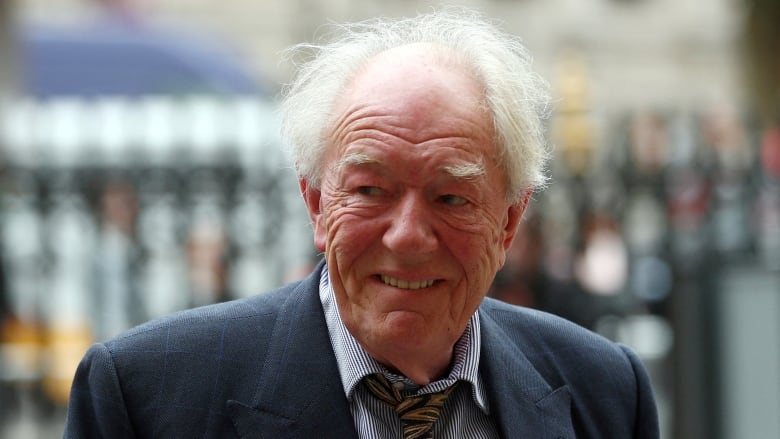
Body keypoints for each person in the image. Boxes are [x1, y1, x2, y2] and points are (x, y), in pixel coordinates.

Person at [64, 8, 659, 438]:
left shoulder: (603, 394)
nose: (406, 236)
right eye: (371, 191)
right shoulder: (147, 398)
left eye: (451, 198)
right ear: (317, 205)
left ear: (509, 222)